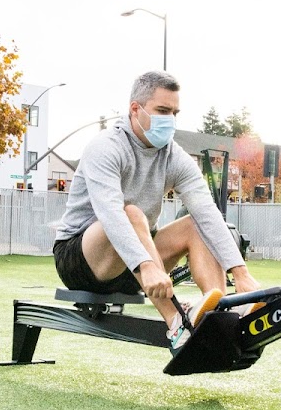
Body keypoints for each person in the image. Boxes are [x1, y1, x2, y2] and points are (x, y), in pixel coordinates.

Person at [53, 70, 261, 353]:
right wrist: (147, 266)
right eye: (162, 111)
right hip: (82, 259)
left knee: (195, 224)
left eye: (175, 112)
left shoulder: (174, 157)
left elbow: (208, 213)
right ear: (135, 109)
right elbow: (112, 215)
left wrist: (240, 272)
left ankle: (219, 319)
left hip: (137, 262)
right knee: (132, 214)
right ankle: (177, 324)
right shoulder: (105, 147)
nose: (170, 120)